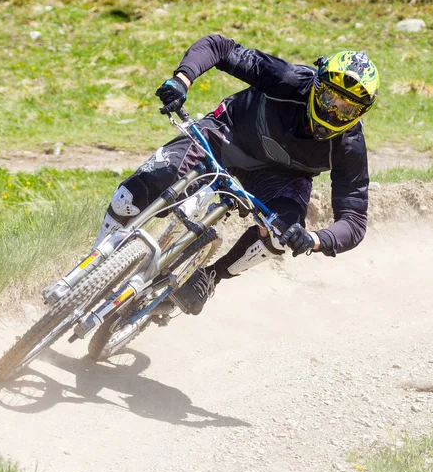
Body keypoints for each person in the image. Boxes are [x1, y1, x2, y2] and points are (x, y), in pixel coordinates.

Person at [94, 34, 380, 315]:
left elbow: (354, 221)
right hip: (225, 136)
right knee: (128, 198)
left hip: (282, 177)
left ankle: (210, 276)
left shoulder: (349, 147)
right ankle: (94, 266)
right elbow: (219, 46)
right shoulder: (287, 79)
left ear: (362, 112)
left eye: (347, 108)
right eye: (330, 98)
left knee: (281, 237)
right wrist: (181, 80)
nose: (333, 113)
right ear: (317, 86)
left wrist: (314, 240)